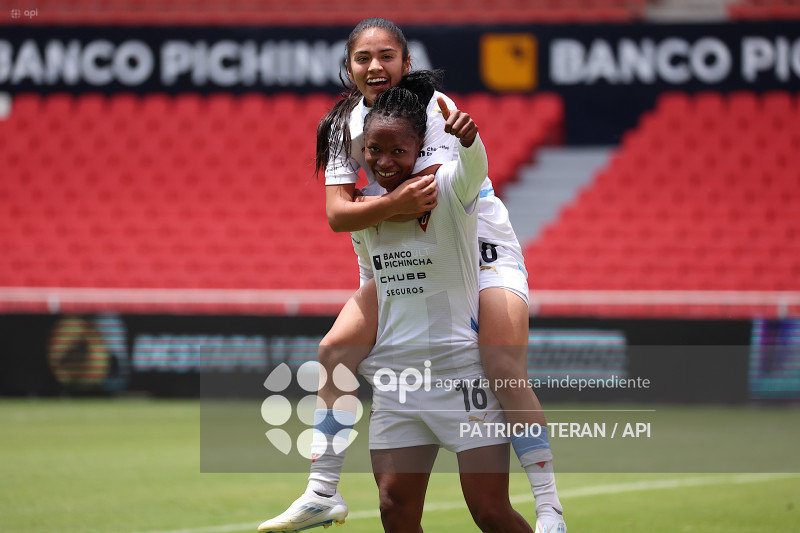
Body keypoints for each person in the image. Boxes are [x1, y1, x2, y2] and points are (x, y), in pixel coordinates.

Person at [258, 18, 565, 533]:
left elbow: (430, 196)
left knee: (501, 362)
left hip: (479, 248)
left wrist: (378, 203)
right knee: (334, 351)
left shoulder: (437, 111)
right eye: (363, 58)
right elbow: (337, 215)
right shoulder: (341, 126)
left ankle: (551, 508)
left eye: (386, 56)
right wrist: (387, 203)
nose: (375, 66)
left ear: (405, 63)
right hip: (404, 256)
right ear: (349, 66)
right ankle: (321, 491)